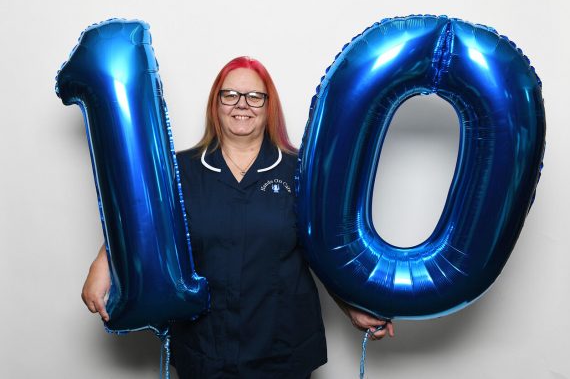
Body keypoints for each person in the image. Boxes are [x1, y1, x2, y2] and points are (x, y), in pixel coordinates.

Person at [81, 56, 394, 378]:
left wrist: (351, 306)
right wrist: (103, 263)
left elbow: (326, 251)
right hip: (204, 346)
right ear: (215, 104)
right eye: (230, 95)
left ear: (269, 105)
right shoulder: (176, 171)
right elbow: (141, 219)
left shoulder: (303, 172)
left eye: (255, 96)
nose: (242, 105)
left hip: (283, 347)